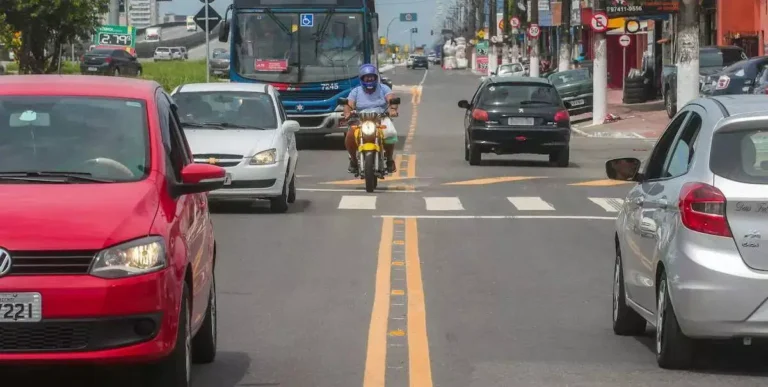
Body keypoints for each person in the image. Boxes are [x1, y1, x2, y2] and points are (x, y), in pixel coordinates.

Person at [343, 64, 399, 174]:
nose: (369, 79)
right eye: (367, 77)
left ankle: (389, 159)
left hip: (380, 118)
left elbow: (391, 99)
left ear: (376, 78)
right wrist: (347, 113)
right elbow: (348, 104)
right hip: (361, 120)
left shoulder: (384, 88)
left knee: (390, 132)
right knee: (350, 135)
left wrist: (392, 109)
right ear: (362, 78)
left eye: (372, 77)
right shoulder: (356, 91)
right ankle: (353, 161)